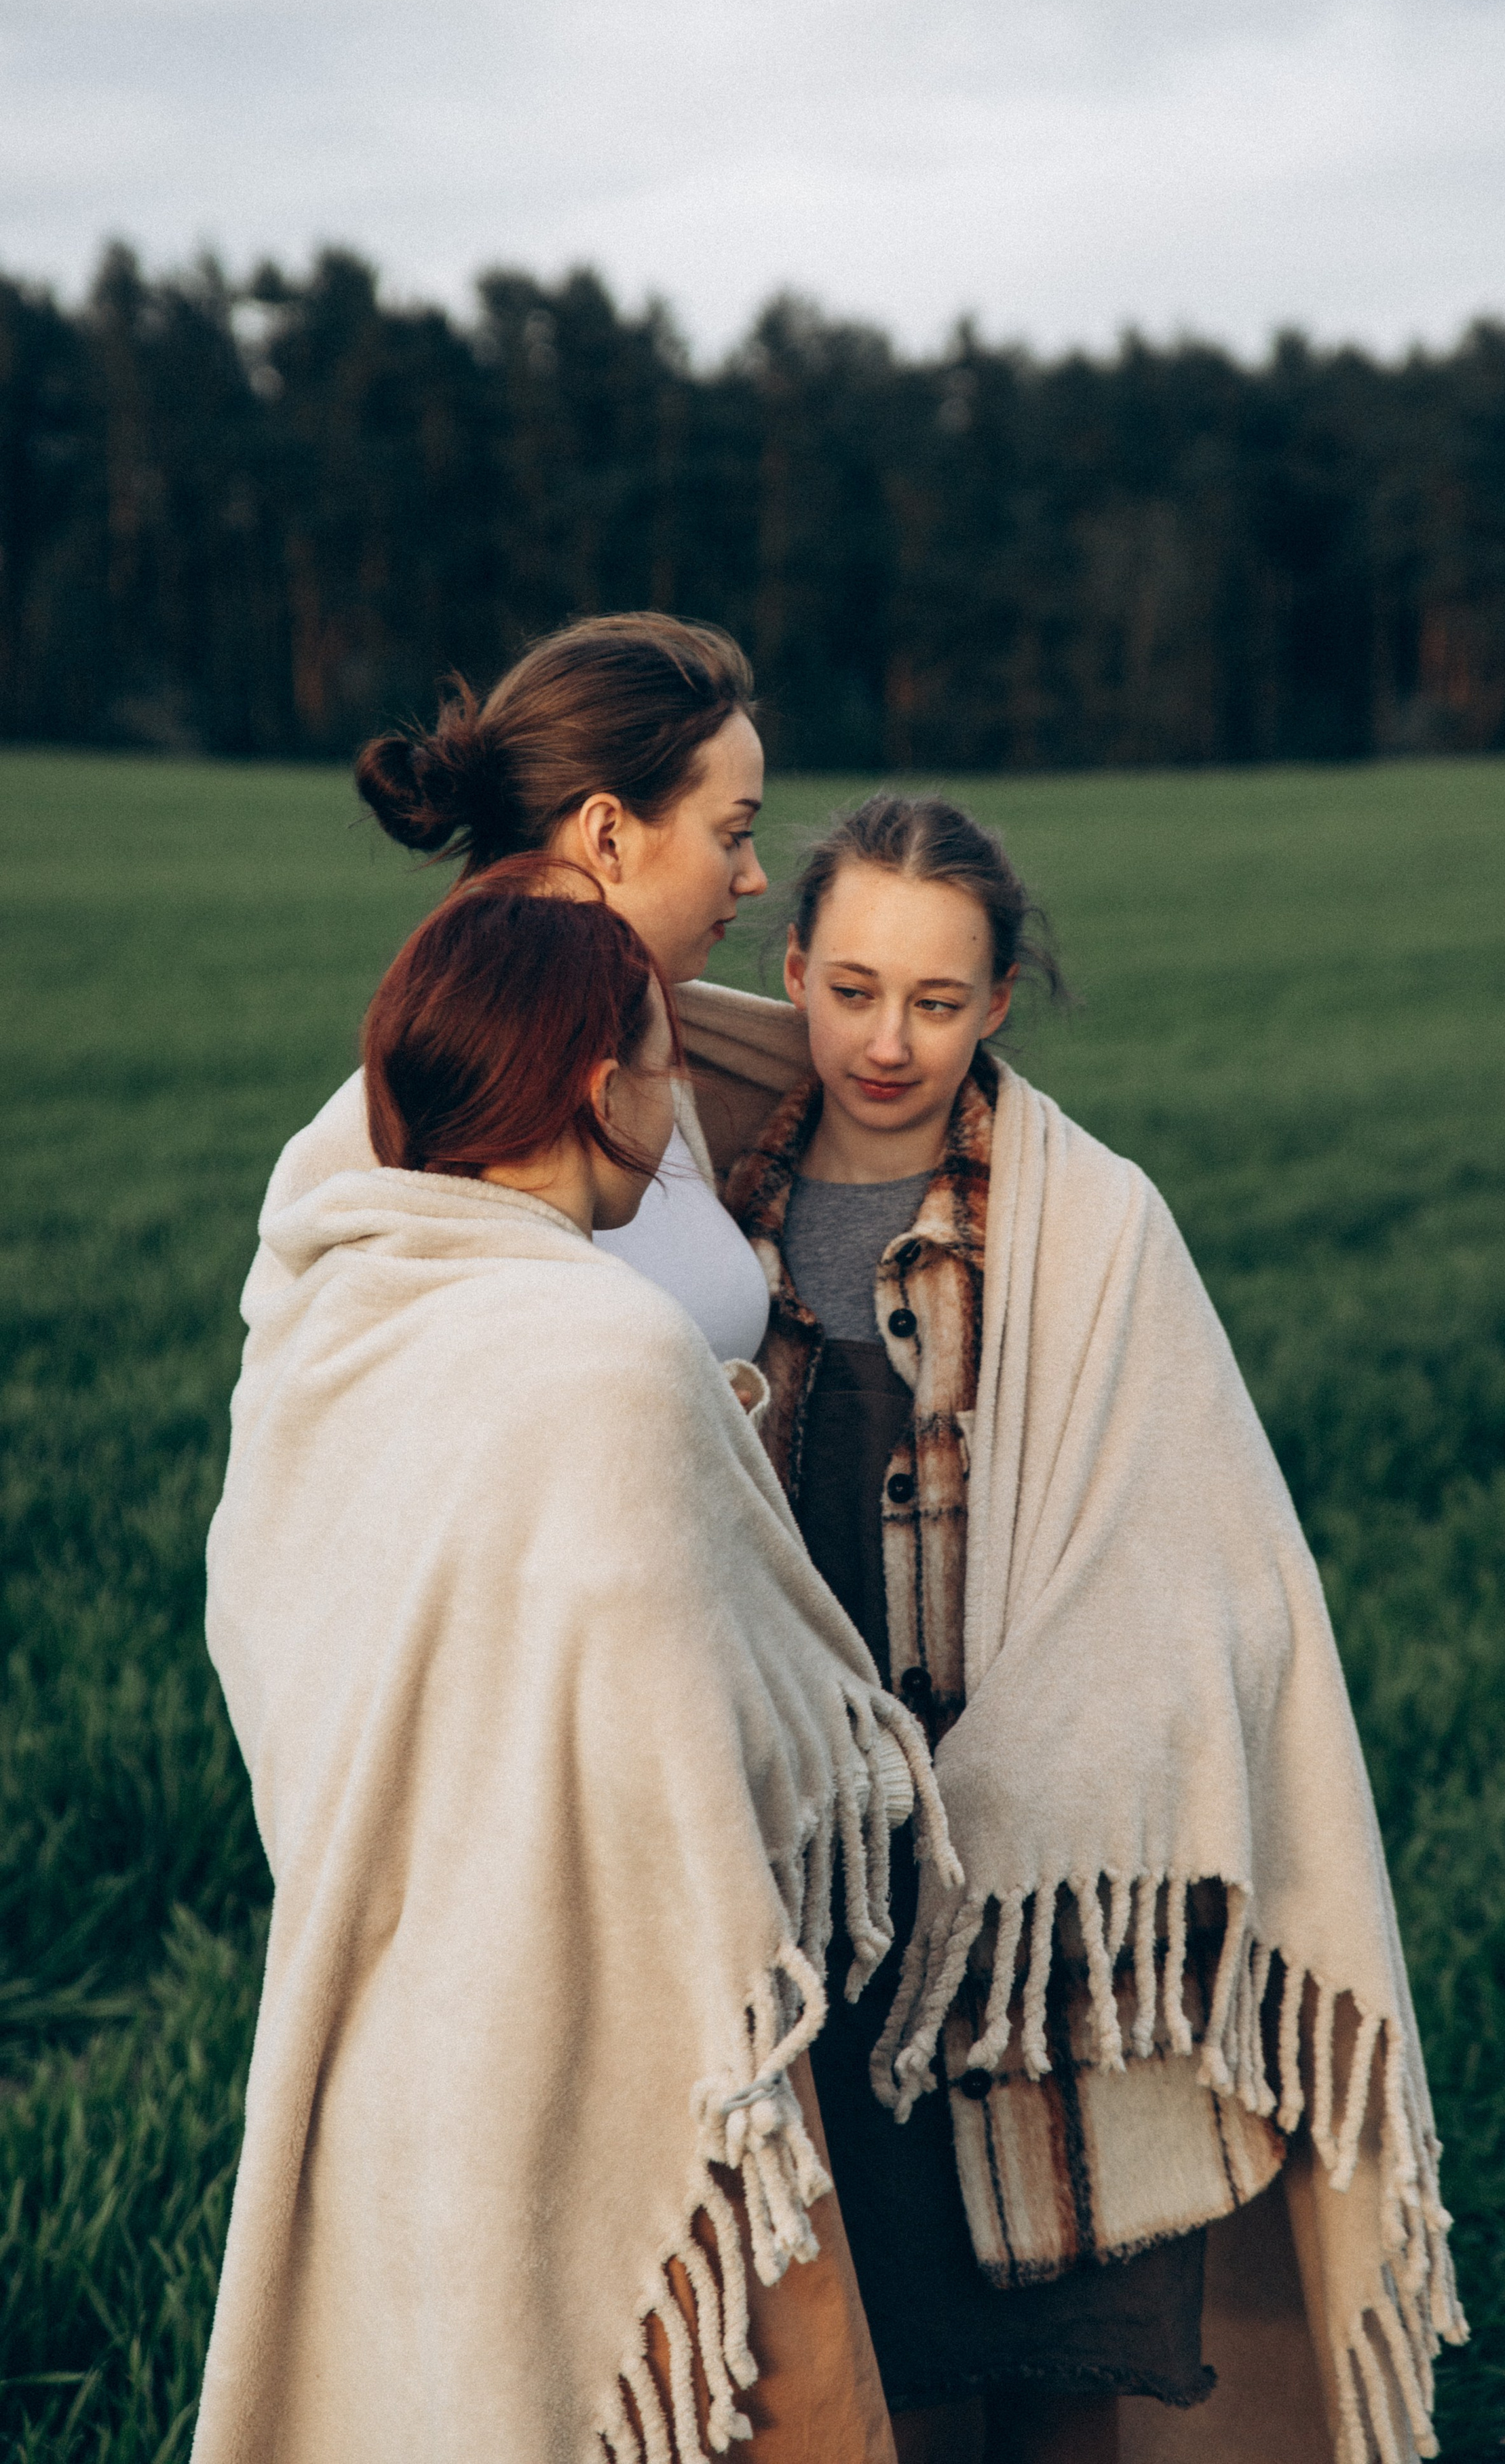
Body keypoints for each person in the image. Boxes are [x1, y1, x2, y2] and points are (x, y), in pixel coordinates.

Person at [719, 797, 1468, 2464]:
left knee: (1065, 2336)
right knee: (857, 2335)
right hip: (803, 1868)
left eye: (933, 998)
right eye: (847, 990)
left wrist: (1024, 1781)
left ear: (996, 1001)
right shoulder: (711, 1226)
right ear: (788, 973)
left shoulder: (1093, 1222)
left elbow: (1201, 1565)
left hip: (1044, 1894)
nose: (885, 1040)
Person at [196, 862, 956, 2464]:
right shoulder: (606, 1354)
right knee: (734, 2397)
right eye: (664, 1062)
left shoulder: (336, 1324)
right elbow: (705, 1747)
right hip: (636, 2042)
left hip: (396, 2014)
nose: (677, 1102)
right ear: (599, 1084)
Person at [248, 609, 777, 1360]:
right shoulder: (418, 1112)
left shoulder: (650, 1046)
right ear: (607, 836)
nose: (754, 877)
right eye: (732, 833)